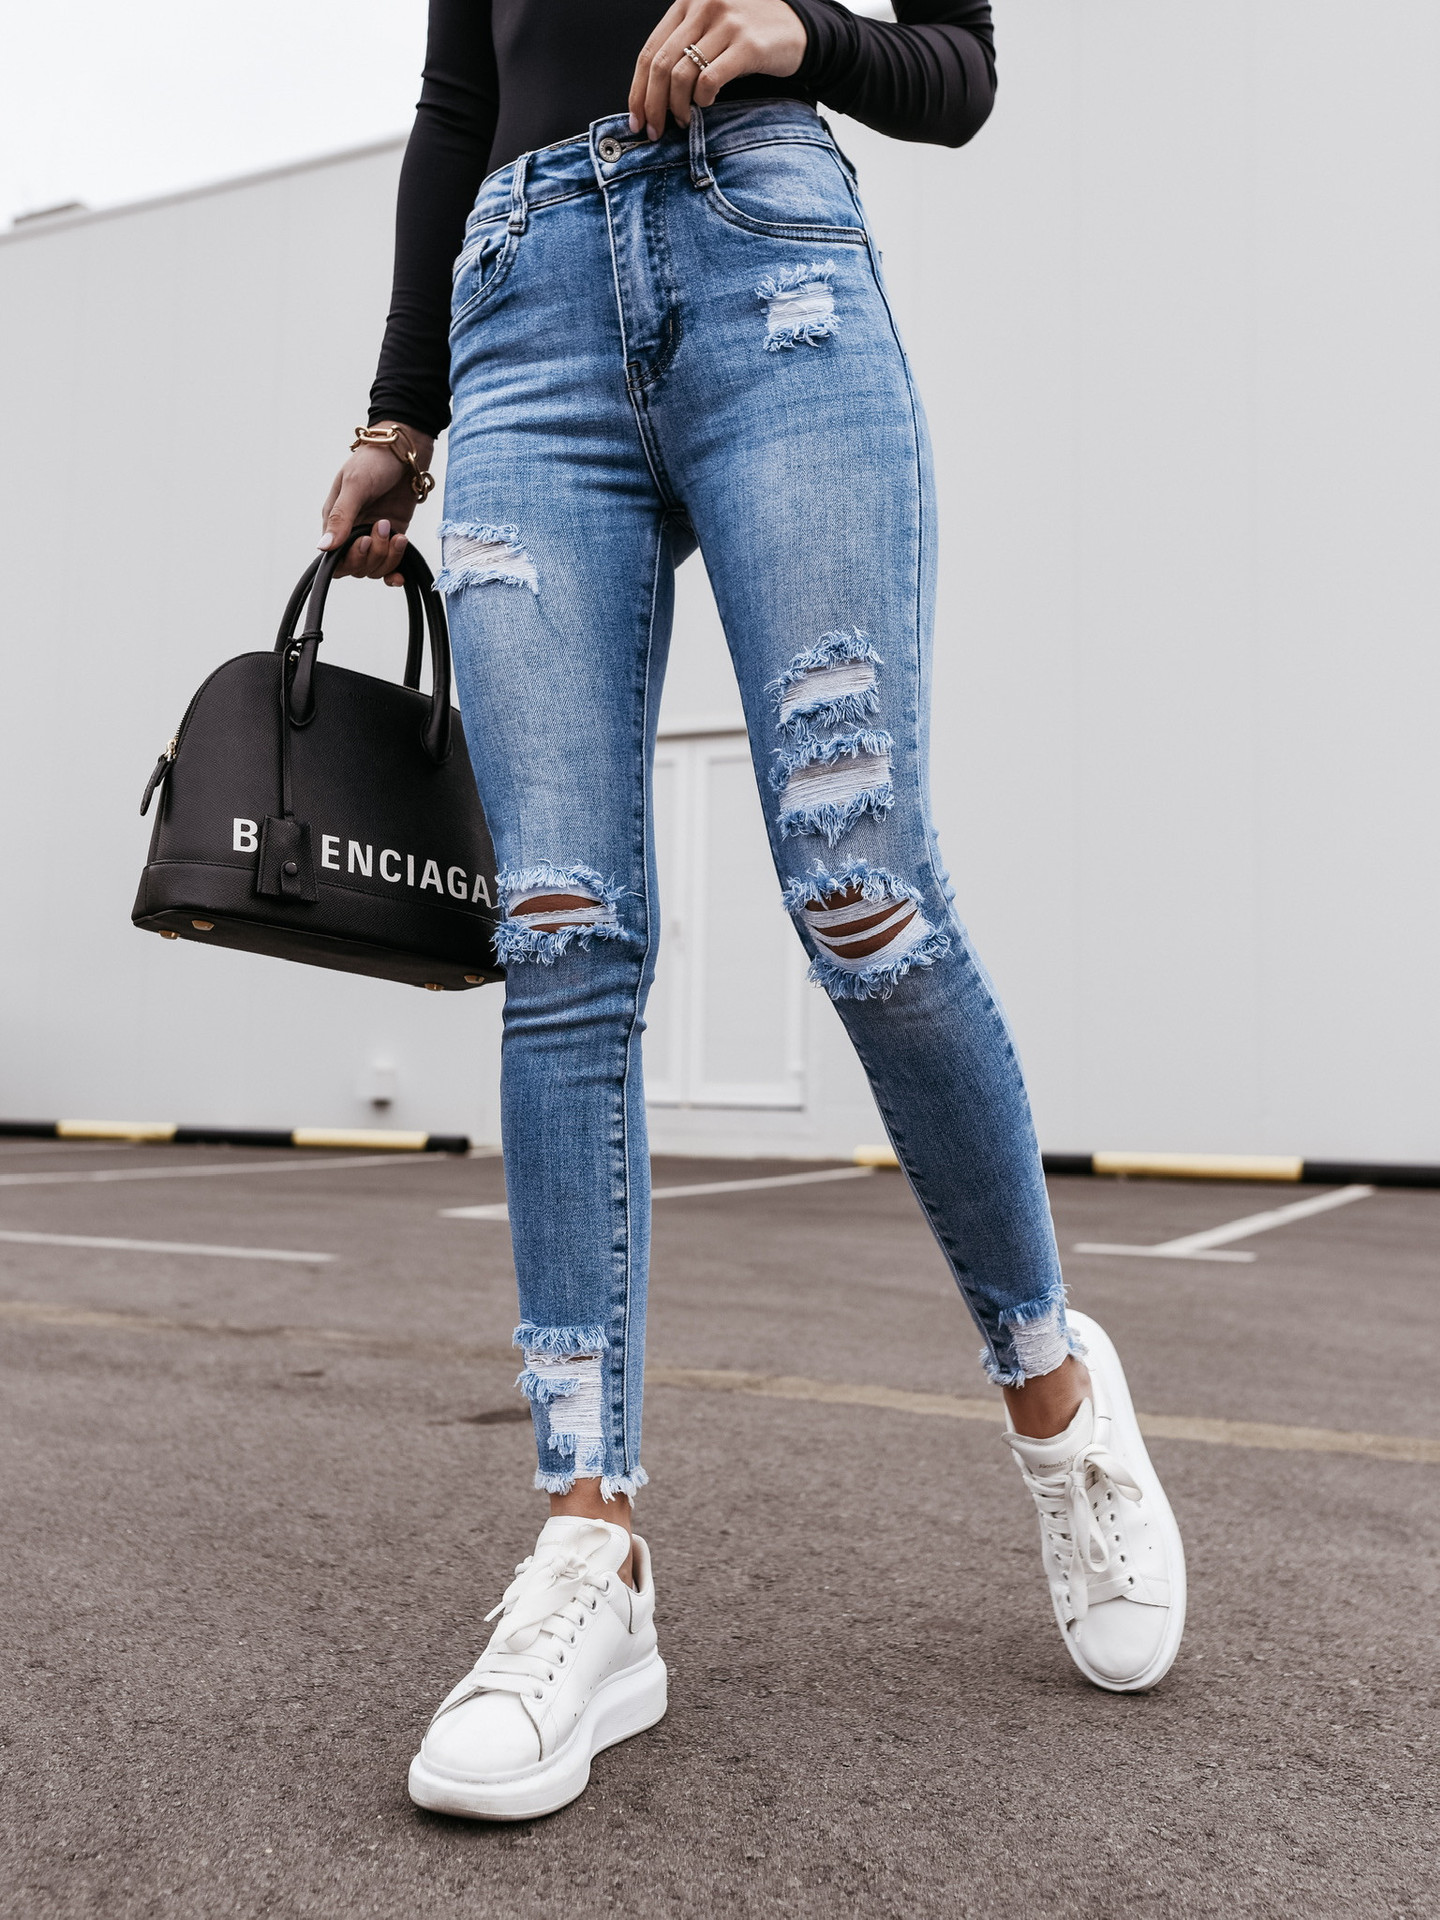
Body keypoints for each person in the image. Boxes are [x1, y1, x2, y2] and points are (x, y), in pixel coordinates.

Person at [320, 0, 1186, 1822]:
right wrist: (401, 411)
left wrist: (801, 27)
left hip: (768, 259)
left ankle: (1057, 1402)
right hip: (521, 314)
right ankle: (592, 1549)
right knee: (558, 935)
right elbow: (456, 100)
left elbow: (958, 68)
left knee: (862, 894)